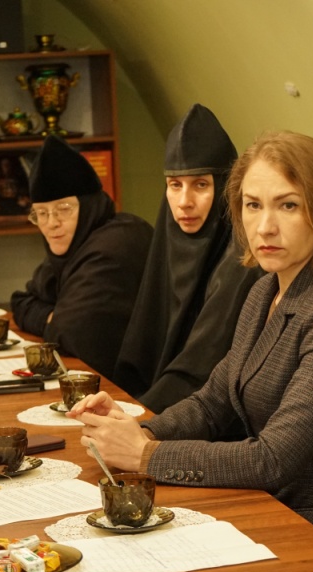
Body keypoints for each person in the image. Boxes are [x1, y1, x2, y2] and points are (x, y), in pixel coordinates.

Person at [71, 131, 313, 554]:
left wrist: (145, 455)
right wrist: (135, 431)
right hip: (269, 505)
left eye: (288, 205)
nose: (265, 226)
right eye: (253, 205)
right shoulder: (264, 290)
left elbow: (274, 458)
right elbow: (212, 403)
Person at [112, 104, 263, 413]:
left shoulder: (243, 260)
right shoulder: (169, 242)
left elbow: (199, 371)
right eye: (175, 185)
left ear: (226, 189)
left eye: (201, 185)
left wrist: (135, 419)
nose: (184, 202)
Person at [10, 136, 152, 377]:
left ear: (89, 207)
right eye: (41, 213)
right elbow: (21, 301)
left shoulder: (116, 243)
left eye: (63, 209)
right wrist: (51, 318)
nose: (51, 223)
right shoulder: (76, 243)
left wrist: (55, 319)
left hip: (130, 386)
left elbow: (70, 332)